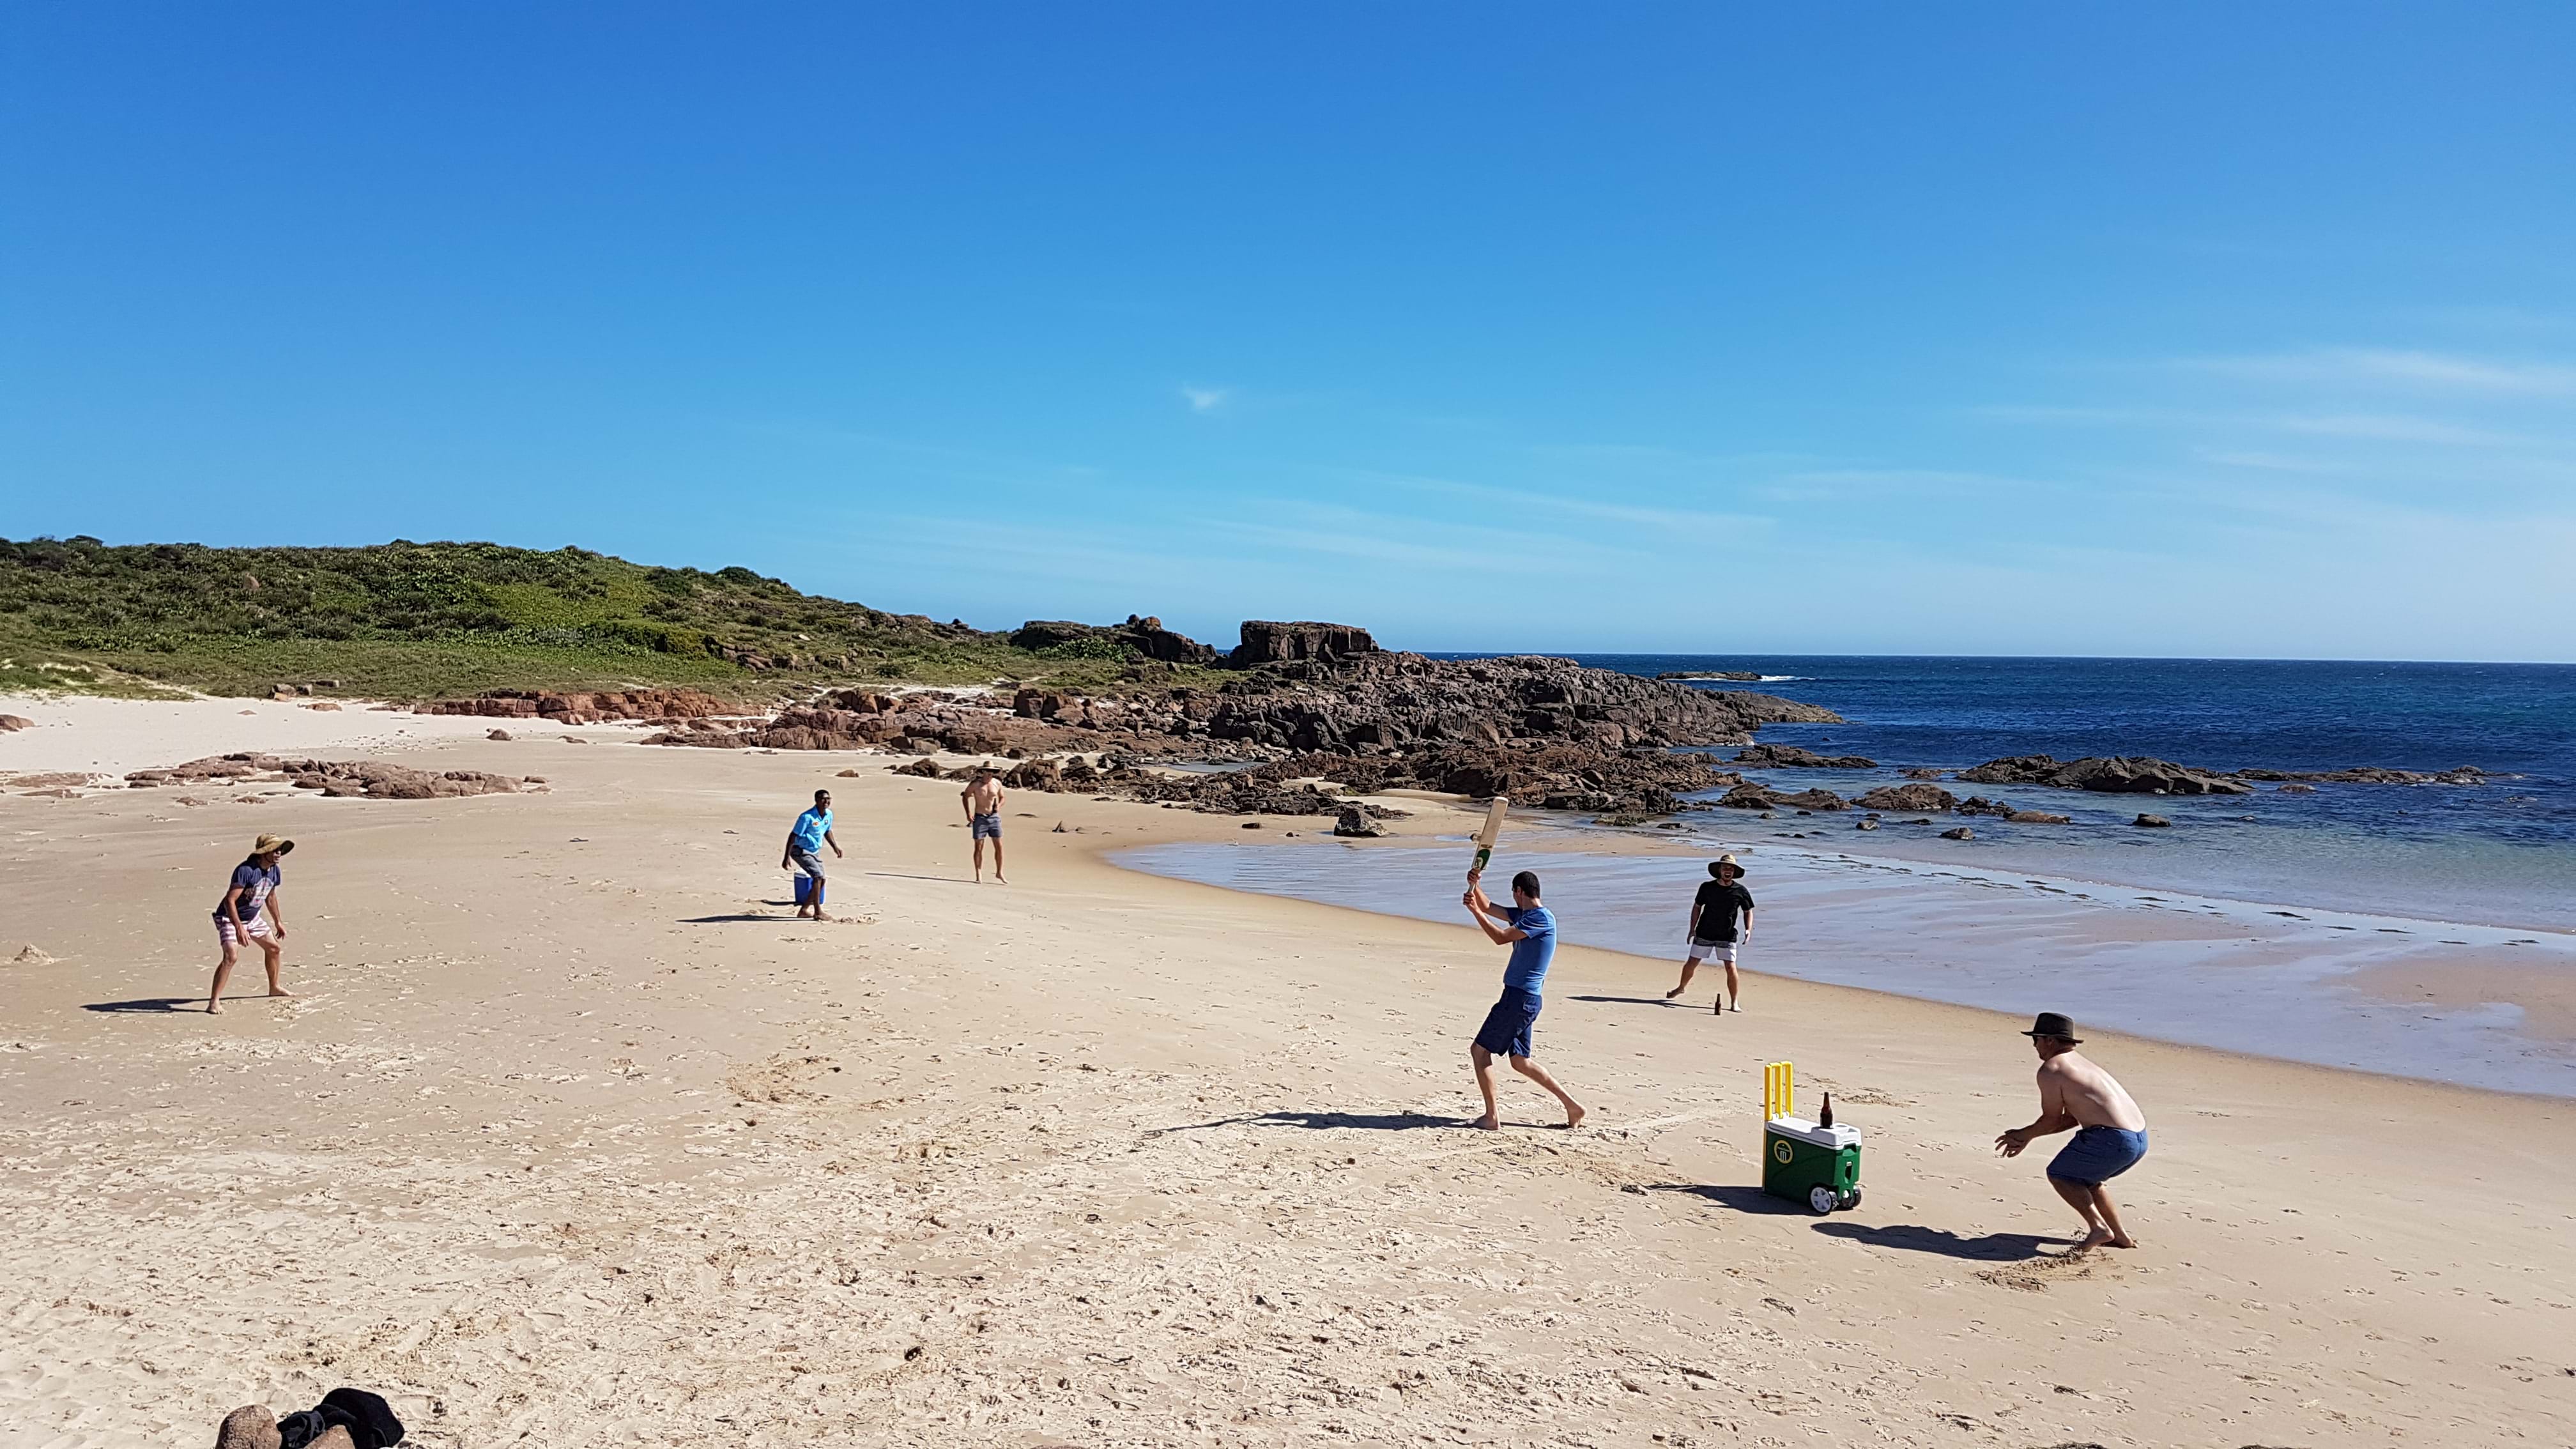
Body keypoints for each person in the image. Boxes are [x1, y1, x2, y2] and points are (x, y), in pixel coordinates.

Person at [1994, 1012, 2150, 1251]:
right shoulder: (2083, 1065)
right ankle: (2120, 1237)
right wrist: (2028, 1136)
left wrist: (2022, 1135)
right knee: (2088, 1181)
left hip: (2112, 1138)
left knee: (2061, 1175)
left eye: (2036, 1039)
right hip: (2138, 1139)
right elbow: (2072, 1119)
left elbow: (2052, 1119)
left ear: (2049, 1040)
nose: (2034, 1046)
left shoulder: (2052, 1069)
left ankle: (2099, 1228)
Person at [1460, 868, 1586, 1131]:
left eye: (1514, 893)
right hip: (1523, 999)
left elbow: (1500, 938)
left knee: (1480, 1051)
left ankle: (1491, 1117)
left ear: (1519, 892)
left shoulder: (1541, 918)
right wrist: (1476, 884)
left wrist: (1474, 912)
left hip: (1519, 999)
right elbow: (1489, 906)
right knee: (1520, 1062)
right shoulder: (1525, 915)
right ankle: (1573, 1106)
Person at [207, 834, 293, 1014]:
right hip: (229, 918)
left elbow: (270, 897)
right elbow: (230, 901)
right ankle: (214, 1002)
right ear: (264, 852)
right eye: (274, 850)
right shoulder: (246, 870)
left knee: (274, 949)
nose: (278, 853)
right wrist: (239, 927)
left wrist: (278, 921)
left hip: (253, 918)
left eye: (280, 850)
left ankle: (274, 987)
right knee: (231, 957)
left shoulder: (274, 870)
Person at [1666, 854, 1754, 1013]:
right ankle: (1681, 987)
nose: (1728, 871)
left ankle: (1734, 1002)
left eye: (1731, 869)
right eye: (1725, 868)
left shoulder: (1741, 891)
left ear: (1734, 872)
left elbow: (1748, 911)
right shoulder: (1707, 887)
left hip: (1727, 935)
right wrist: (1692, 929)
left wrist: (1748, 929)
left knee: (1731, 967)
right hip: (1704, 933)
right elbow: (1697, 907)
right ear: (1720, 870)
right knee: (1691, 963)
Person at [781, 788, 844, 920]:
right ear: (816, 801)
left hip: (814, 851)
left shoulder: (829, 815)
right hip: (800, 850)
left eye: (828, 799)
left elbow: (827, 831)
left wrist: (835, 847)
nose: (826, 801)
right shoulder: (806, 817)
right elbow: (793, 836)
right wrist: (786, 857)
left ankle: (804, 910)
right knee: (817, 876)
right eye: (823, 799)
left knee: (822, 880)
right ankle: (818, 912)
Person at [961, 767, 1007, 883]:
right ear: (983, 772)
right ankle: (979, 873)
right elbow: (965, 796)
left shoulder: (997, 783)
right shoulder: (976, 784)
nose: (990, 775)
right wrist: (968, 814)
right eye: (988, 772)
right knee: (979, 847)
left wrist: (999, 806)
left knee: (999, 846)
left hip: (994, 817)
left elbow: (1002, 797)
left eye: (992, 773)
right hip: (980, 817)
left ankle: (999, 873)